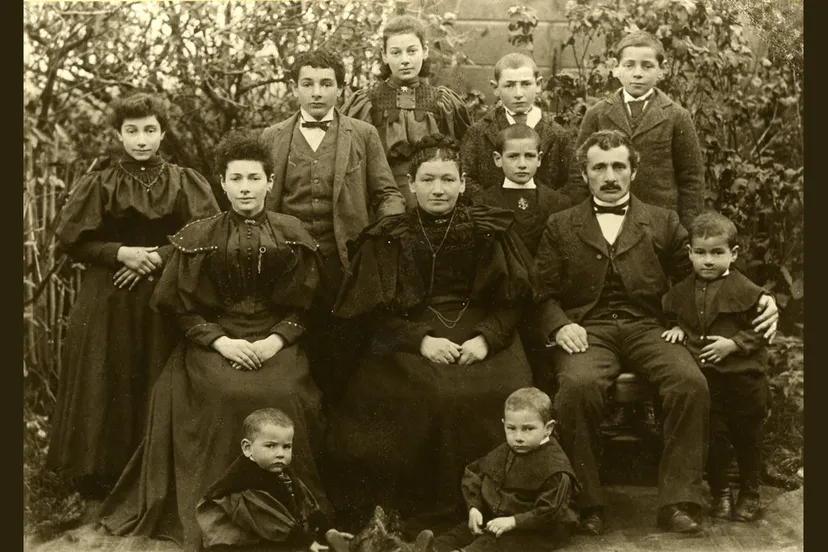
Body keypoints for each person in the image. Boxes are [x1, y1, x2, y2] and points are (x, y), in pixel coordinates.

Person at [533, 130, 778, 535]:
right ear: (585, 172)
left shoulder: (662, 221)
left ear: (633, 171)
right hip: (587, 330)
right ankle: (586, 501)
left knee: (688, 382)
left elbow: (707, 270)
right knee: (577, 387)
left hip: (652, 328)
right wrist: (559, 325)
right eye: (599, 167)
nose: (609, 176)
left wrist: (759, 298)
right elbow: (540, 292)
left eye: (618, 167)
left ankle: (678, 501)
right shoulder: (561, 225)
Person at [98, 130, 328, 551]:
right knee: (224, 392)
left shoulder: (292, 231)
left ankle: (293, 515)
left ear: (269, 182)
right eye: (236, 179)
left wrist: (276, 340)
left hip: (275, 340)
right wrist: (221, 342)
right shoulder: (199, 234)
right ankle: (219, 515)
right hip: (214, 343)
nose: (245, 188)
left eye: (254, 178)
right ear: (222, 183)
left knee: (285, 390)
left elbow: (307, 306)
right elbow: (179, 308)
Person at [326, 135, 541, 525]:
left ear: (462, 182)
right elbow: (371, 312)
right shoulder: (388, 236)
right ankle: (422, 509)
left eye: (447, 179)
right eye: (427, 180)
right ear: (411, 184)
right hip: (407, 337)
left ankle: (497, 502)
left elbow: (514, 301)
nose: (437, 189)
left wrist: (486, 339)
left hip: (484, 332)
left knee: (493, 390)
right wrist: (419, 341)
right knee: (432, 394)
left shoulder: (490, 229)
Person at [46, 92, 220, 499]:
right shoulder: (100, 182)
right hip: (107, 295)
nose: (141, 139)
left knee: (156, 372)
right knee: (105, 374)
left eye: (149, 130)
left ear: (162, 132)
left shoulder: (183, 180)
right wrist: (120, 253)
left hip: (163, 292)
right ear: (118, 135)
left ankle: (155, 473)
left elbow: (206, 234)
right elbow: (72, 241)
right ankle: (99, 476)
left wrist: (158, 256)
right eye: (132, 131)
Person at [261, 49, 406, 407]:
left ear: (340, 88)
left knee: (344, 355)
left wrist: (383, 237)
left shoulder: (363, 134)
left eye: (326, 84)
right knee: (295, 352)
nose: (316, 92)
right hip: (289, 264)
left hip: (345, 265)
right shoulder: (272, 136)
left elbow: (387, 193)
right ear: (294, 88)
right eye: (307, 83)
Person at [662, 212, 770, 523]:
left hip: (744, 381)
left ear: (733, 254)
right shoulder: (682, 290)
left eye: (717, 253)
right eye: (701, 253)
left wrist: (734, 344)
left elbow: (762, 330)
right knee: (715, 440)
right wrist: (677, 327)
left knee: (747, 438)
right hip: (710, 382)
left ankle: (750, 493)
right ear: (690, 254)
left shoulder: (748, 291)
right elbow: (671, 313)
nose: (708, 261)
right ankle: (721, 492)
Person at [570, 31, 704, 229]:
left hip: (658, 222)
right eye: (629, 65)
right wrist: (583, 222)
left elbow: (691, 178)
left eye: (647, 66)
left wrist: (685, 229)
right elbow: (578, 172)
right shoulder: (597, 114)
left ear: (662, 69)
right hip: (606, 218)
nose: (638, 73)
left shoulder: (677, 116)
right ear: (616, 68)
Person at [342, 15, 473, 208]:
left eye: (412, 51)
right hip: (380, 193)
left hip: (432, 193)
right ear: (385, 55)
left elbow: (464, 153)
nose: (405, 60)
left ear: (425, 51)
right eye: (396, 53)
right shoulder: (368, 102)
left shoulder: (442, 102)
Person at [433, 388, 580, 552]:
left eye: (528, 429)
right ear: (504, 424)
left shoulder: (555, 466)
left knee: (492, 543)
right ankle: (432, 548)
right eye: (511, 428)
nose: (518, 437)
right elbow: (475, 474)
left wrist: (513, 521)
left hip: (537, 530)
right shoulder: (506, 449)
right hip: (500, 517)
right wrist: (474, 507)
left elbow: (549, 512)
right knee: (462, 531)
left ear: (548, 428)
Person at [196, 409, 353, 552]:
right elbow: (266, 518)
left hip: (273, 533)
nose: (280, 454)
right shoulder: (243, 482)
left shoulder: (279, 471)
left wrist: (327, 529)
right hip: (237, 542)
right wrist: (306, 541)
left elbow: (304, 502)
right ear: (247, 448)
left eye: (287, 447)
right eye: (271, 446)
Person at [461, 52, 580, 202]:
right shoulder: (478, 133)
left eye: (525, 84)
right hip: (494, 219)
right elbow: (466, 178)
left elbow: (575, 181)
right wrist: (493, 206)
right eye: (509, 85)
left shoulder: (559, 134)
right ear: (495, 88)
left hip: (546, 220)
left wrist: (551, 207)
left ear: (538, 85)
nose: (518, 94)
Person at [475, 124, 571, 256]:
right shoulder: (482, 203)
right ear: (498, 159)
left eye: (529, 156)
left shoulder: (559, 203)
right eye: (513, 156)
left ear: (539, 159)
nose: (522, 164)